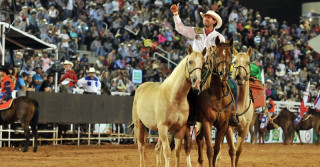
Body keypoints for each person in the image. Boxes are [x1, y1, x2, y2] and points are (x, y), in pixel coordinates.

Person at [170, 3, 239, 126]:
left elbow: (223, 54)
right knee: (189, 88)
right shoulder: (196, 31)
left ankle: (233, 113)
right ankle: (190, 114)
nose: (205, 19)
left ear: (214, 21)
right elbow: (181, 29)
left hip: (213, 67)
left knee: (234, 86)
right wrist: (176, 14)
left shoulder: (219, 37)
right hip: (196, 66)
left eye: (208, 17)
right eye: (205, 17)